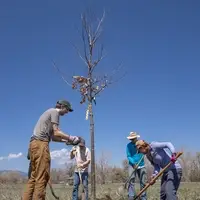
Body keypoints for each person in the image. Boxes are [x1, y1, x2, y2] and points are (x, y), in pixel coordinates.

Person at [22, 100, 81, 200]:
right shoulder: (55, 112)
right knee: (42, 177)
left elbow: (54, 137)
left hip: (33, 144)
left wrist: (67, 142)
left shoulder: (48, 113)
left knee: (33, 178)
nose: (67, 112)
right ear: (62, 106)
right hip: (41, 144)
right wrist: (71, 137)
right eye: (67, 110)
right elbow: (57, 132)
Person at [126, 132, 147, 200]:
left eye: (133, 138)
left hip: (142, 165)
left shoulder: (141, 143)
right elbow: (128, 156)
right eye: (131, 139)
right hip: (132, 165)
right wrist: (133, 163)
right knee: (131, 180)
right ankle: (131, 196)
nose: (131, 140)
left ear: (136, 138)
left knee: (143, 181)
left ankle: (143, 197)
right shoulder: (128, 146)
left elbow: (146, 149)